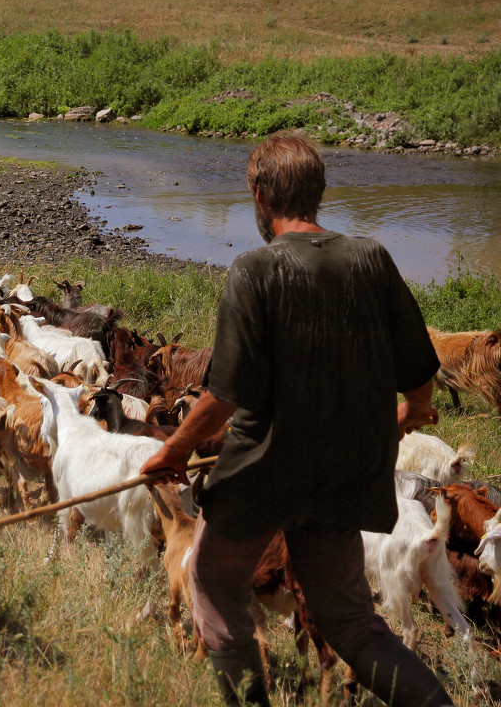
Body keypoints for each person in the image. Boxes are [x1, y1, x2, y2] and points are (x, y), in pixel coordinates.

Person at [139, 132, 452, 707]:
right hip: (347, 476)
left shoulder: (254, 271)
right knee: (351, 620)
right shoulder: (373, 259)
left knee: (213, 583)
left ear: (260, 196)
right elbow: (420, 376)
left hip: (265, 473)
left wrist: (175, 450)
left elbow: (224, 397)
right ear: (320, 191)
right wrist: (410, 413)